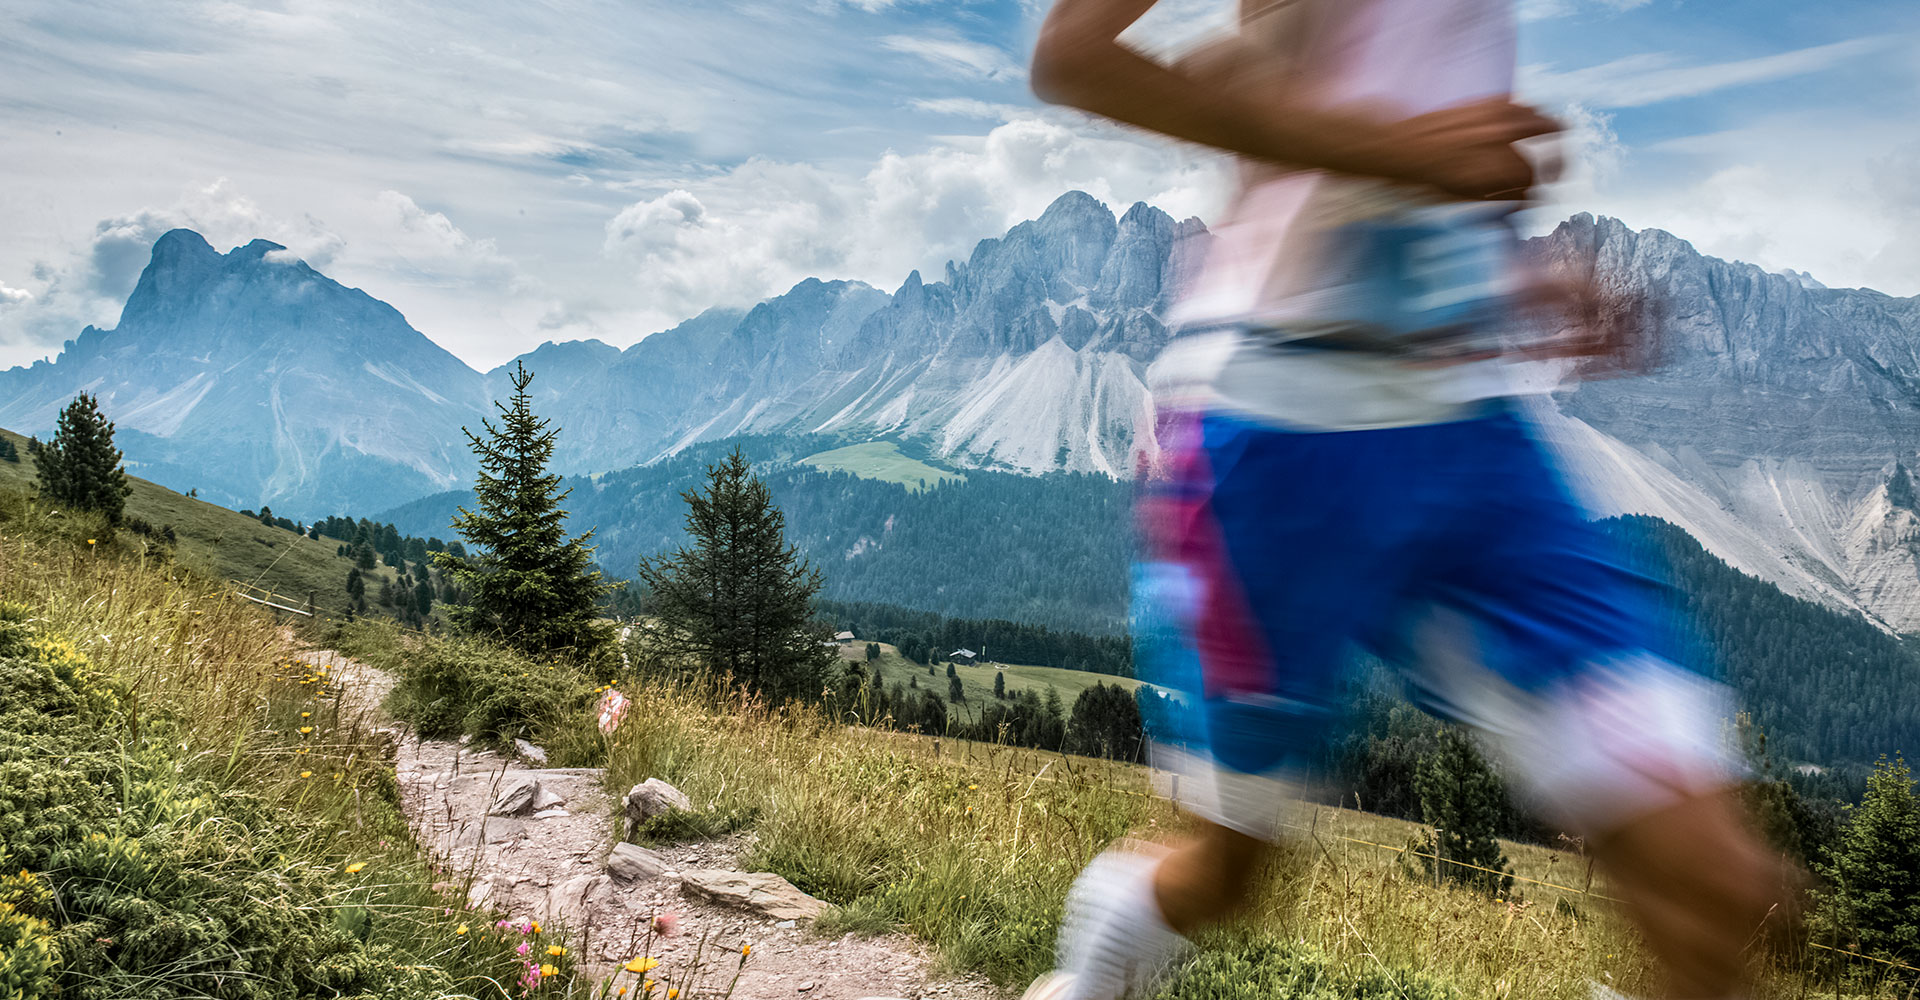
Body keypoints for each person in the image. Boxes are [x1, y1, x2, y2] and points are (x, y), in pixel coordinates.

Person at [1024, 1, 1794, 999]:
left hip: (1472, 435)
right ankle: (1092, 978)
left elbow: (1411, 88)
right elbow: (1076, 57)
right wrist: (1402, 157)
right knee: (1229, 874)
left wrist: (1511, 270)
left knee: (1721, 891)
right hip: (1274, 438)